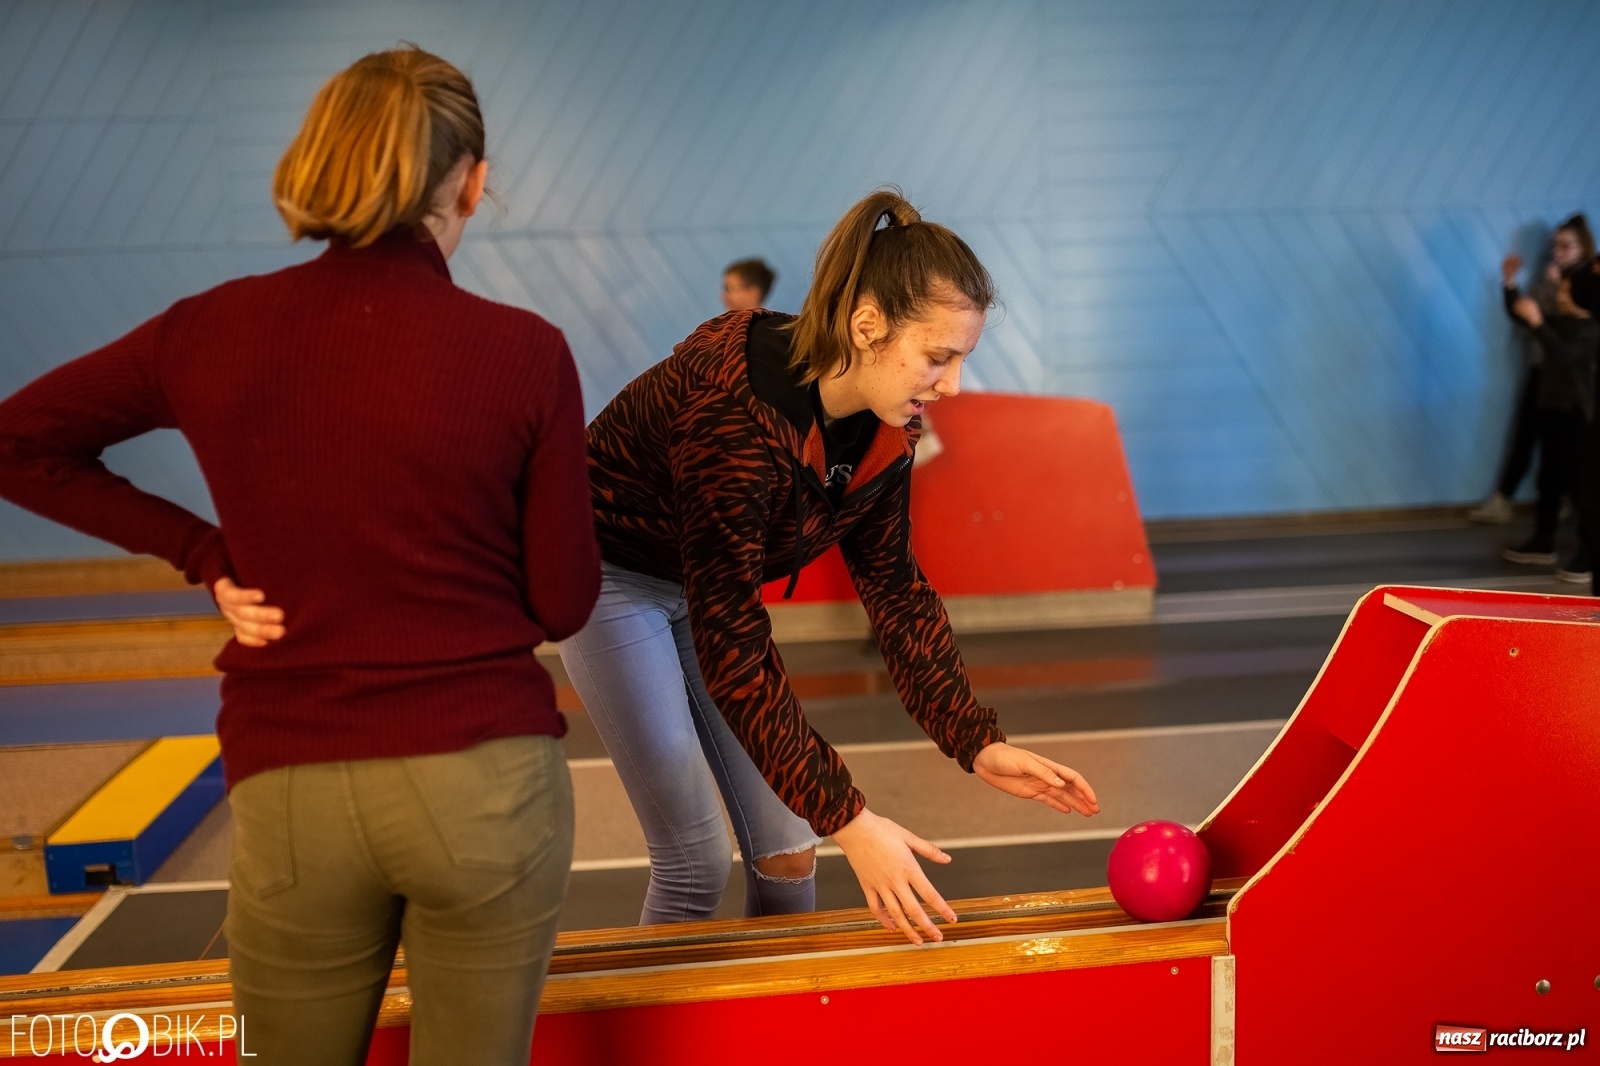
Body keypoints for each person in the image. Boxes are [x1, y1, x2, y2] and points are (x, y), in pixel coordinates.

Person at [0, 47, 599, 1066]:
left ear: (319, 163)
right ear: (473, 180)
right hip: (484, 782)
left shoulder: (208, 330)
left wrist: (204, 552)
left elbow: (19, 440)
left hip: (291, 786)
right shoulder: (524, 349)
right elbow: (561, 601)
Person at [560, 190, 1099, 945]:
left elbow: (896, 593)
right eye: (938, 357)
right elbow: (733, 645)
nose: (952, 386)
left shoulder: (887, 429)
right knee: (693, 862)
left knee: (788, 856)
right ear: (867, 325)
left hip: (704, 586)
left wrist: (975, 739)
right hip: (612, 575)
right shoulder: (734, 414)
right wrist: (850, 817)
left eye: (961, 360)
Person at [1471, 216, 1596, 523]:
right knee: (1541, 450)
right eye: (1555, 244)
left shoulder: (1584, 286)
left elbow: (1567, 342)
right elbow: (1531, 319)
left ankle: (1570, 519)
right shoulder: (1553, 277)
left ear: (1583, 247)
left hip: (1572, 387)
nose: (1558, 251)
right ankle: (1538, 525)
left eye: (1566, 245)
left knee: (1569, 456)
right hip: (1547, 373)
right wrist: (1511, 287)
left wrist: (1546, 307)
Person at [1500, 265, 1599, 578]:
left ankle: (1588, 552)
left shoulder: (1590, 329)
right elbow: (1524, 317)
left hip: (1577, 415)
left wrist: (1539, 322)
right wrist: (1511, 288)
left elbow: (1567, 354)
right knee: (1549, 478)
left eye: (1566, 291)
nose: (1560, 296)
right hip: (1552, 409)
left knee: (1580, 488)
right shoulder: (1563, 321)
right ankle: (1544, 540)